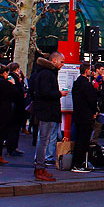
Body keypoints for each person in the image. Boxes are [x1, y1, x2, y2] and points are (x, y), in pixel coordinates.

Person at [30, 51, 67, 181]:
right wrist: (59, 93)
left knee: (44, 139)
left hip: (46, 110)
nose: (63, 64)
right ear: (54, 61)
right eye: (61, 62)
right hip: (47, 111)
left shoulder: (44, 73)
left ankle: (41, 166)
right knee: (44, 140)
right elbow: (45, 93)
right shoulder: (47, 74)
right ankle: (40, 167)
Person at [0, 63, 21, 165]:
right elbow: (16, 95)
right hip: (4, 111)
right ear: (4, 73)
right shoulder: (6, 83)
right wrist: (13, 84)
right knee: (1, 134)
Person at [71, 62, 98, 173]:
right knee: (83, 140)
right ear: (86, 70)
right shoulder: (86, 85)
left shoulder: (77, 83)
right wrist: (94, 111)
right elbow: (92, 100)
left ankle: (78, 162)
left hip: (78, 114)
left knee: (79, 139)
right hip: (86, 115)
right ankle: (77, 163)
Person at [4, 62, 27, 156]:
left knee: (13, 128)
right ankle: (12, 147)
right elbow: (16, 91)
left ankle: (13, 147)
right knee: (14, 129)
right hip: (16, 107)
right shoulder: (14, 78)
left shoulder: (12, 77)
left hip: (15, 107)